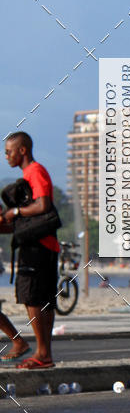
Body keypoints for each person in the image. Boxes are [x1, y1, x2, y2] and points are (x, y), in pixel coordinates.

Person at [0, 132, 59, 368]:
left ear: (22, 150)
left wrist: (14, 212)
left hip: (39, 248)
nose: (6, 156)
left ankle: (43, 354)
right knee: (41, 299)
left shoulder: (35, 171)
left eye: (8, 151)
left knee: (34, 299)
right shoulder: (29, 175)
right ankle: (44, 354)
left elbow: (43, 205)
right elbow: (25, 222)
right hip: (38, 245)